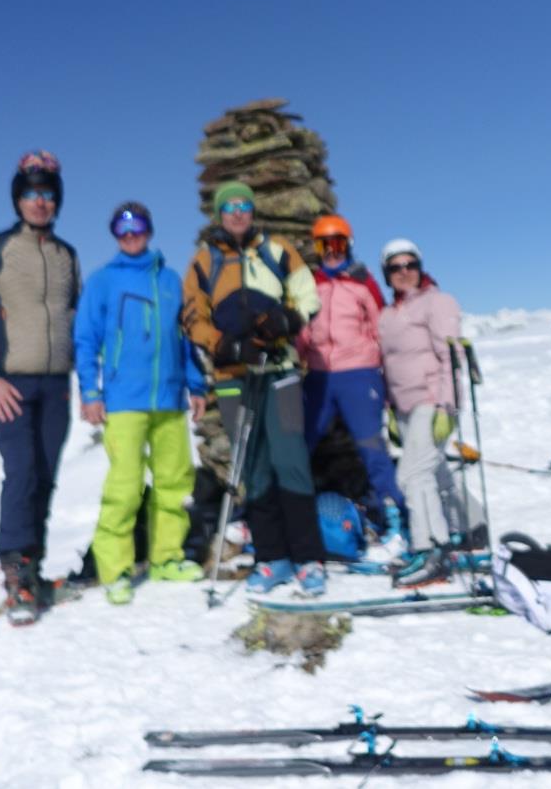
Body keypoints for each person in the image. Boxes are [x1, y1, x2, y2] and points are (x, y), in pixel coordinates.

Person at [0, 150, 81, 626]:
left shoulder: (67, 255)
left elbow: (77, 319)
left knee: (45, 476)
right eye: (30, 193)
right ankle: (15, 581)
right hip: (11, 384)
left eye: (47, 194)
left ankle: (34, 572)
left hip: (57, 385)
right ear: (17, 200)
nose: (39, 201)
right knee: (22, 473)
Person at [183, 181, 325, 595]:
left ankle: (308, 557)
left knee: (291, 459)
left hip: (280, 370)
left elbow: (307, 294)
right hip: (233, 377)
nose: (237, 212)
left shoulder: (277, 250)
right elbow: (193, 316)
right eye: (229, 206)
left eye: (244, 204)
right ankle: (272, 558)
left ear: (252, 210)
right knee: (253, 467)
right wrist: (224, 345)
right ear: (219, 213)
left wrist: (289, 319)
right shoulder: (204, 262)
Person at [74, 202, 209, 604]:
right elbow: (85, 340)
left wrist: (196, 386)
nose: (131, 235)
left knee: (174, 482)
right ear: (115, 234)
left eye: (137, 227)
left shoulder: (170, 280)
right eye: (122, 228)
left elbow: (184, 340)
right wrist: (90, 392)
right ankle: (115, 570)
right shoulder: (102, 281)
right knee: (125, 486)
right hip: (123, 401)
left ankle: (166, 557)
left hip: (169, 398)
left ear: (149, 230)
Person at [377, 238, 484, 588]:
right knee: (434, 470)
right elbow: (388, 363)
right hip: (404, 405)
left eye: (410, 265)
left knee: (412, 476)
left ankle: (431, 550)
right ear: (387, 274)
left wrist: (446, 406)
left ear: (420, 268)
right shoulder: (387, 315)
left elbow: (450, 356)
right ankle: (472, 526)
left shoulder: (438, 302)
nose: (404, 272)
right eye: (396, 267)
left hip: (432, 400)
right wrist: (391, 408)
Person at [295, 215, 406, 546]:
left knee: (371, 447)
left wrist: (386, 378)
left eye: (338, 244)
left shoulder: (363, 284)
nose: (332, 252)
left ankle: (395, 519)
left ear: (348, 246)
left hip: (359, 373)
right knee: (299, 446)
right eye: (324, 246)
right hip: (319, 376)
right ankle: (292, 516)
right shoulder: (310, 285)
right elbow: (303, 330)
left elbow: (381, 329)